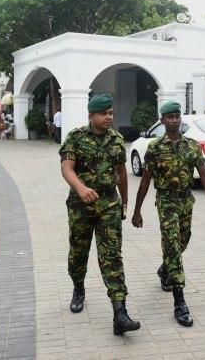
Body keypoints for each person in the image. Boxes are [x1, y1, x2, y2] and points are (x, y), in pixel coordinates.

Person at [131, 101, 205, 327]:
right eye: (170, 117)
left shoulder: (192, 146)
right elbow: (145, 181)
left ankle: (165, 269)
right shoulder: (154, 148)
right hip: (166, 202)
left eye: (177, 116)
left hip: (186, 201)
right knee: (172, 246)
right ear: (162, 120)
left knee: (183, 240)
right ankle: (179, 303)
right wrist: (137, 210)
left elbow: (203, 173)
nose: (174, 120)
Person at [59, 94, 140, 336]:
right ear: (91, 116)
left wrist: (125, 201)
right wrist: (80, 188)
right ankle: (78, 288)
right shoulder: (76, 137)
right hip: (80, 206)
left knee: (112, 256)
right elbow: (66, 167)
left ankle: (120, 312)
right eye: (103, 113)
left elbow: (122, 172)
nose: (109, 117)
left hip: (109, 204)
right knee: (78, 252)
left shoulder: (117, 139)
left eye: (111, 113)